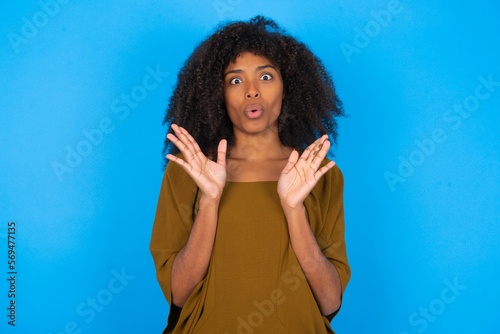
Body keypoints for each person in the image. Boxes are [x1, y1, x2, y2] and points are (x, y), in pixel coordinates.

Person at [150, 16, 350, 333]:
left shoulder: (317, 174)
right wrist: (210, 200)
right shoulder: (187, 171)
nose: (252, 91)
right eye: (236, 80)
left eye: (266, 77)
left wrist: (293, 209)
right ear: (218, 95)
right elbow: (179, 293)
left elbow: (329, 301)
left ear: (288, 88)